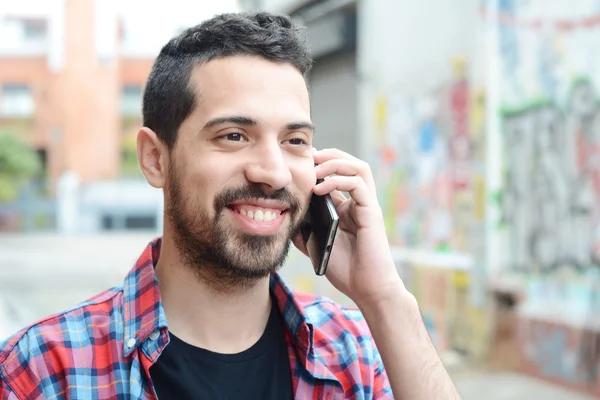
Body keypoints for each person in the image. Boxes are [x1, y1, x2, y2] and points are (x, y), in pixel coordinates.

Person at [0, 12, 461, 399]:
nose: (274, 172)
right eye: (234, 136)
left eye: (295, 140)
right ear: (155, 158)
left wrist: (385, 299)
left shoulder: (353, 350)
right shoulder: (43, 369)